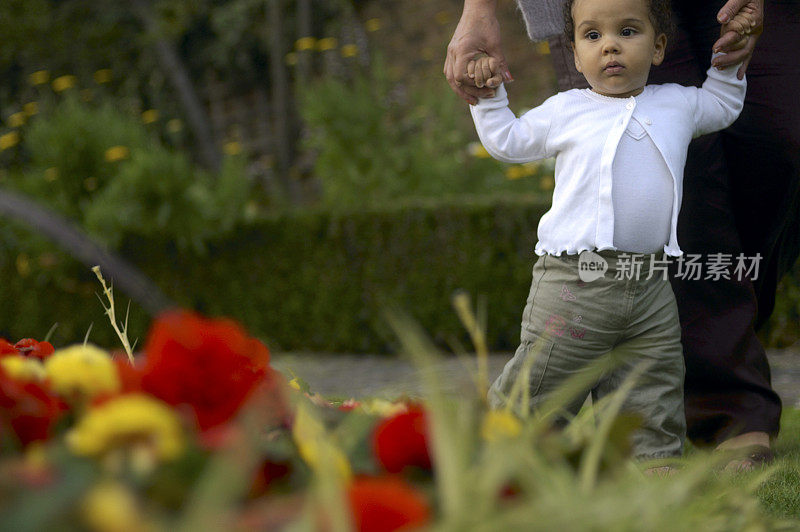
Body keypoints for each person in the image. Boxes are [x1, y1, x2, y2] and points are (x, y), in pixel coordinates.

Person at [446, 0, 800, 470]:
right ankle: (505, 446)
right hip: (575, 282)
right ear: (573, 55)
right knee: (549, 372)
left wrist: (731, 66)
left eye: (627, 32)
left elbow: (723, 103)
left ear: (657, 48)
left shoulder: (677, 102)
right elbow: (508, 141)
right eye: (592, 37)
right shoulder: (566, 110)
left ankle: (653, 459)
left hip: (651, 280)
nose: (610, 45)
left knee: (651, 373)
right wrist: (490, 97)